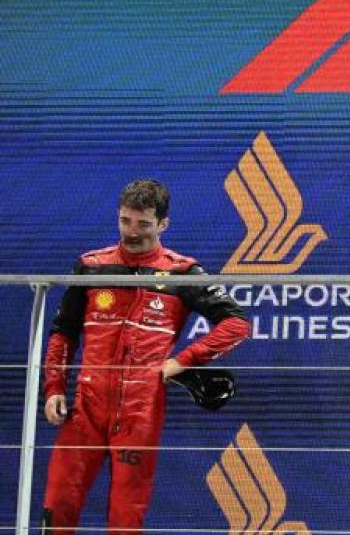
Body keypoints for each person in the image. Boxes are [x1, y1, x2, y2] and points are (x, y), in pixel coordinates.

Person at [41, 179, 250, 535]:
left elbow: (236, 324)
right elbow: (63, 331)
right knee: (59, 503)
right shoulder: (91, 266)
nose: (132, 232)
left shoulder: (184, 273)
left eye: (143, 224)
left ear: (163, 224)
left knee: (126, 516)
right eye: (125, 221)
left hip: (141, 408)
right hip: (85, 406)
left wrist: (183, 361)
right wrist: (54, 388)